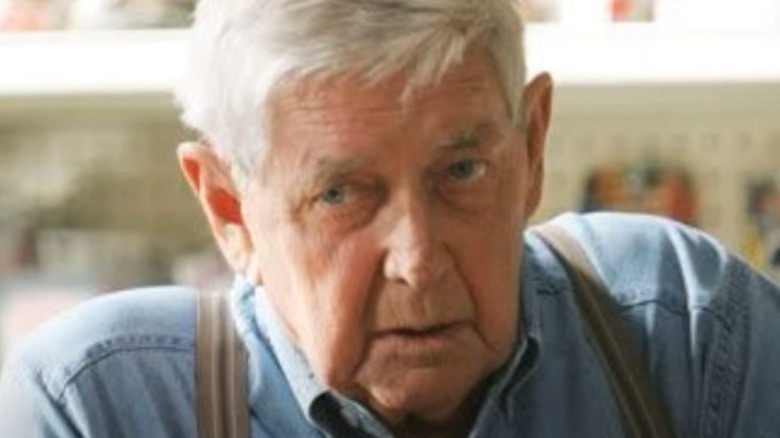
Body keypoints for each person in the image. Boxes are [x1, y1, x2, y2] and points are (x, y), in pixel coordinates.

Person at [2, 0, 780, 436]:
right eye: (342, 195)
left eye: (462, 172)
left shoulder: (685, 334)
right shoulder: (102, 409)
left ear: (532, 145)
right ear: (230, 210)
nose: (418, 259)